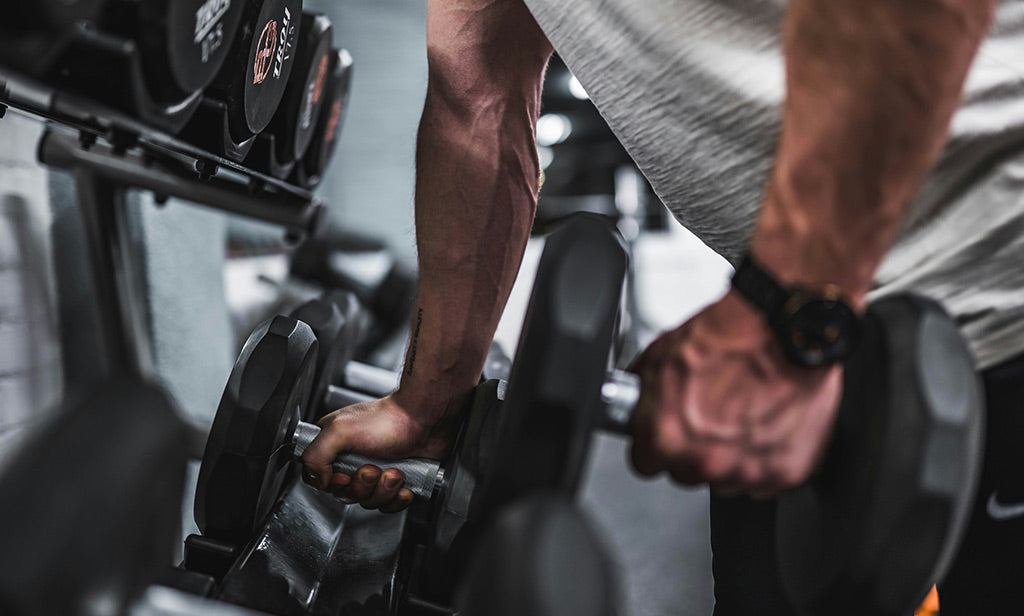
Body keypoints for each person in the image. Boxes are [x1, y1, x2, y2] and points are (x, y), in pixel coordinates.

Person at [302, 0, 1024, 613]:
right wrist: (430, 402)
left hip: (990, 304)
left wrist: (792, 310)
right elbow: (477, 95)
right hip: (816, 332)